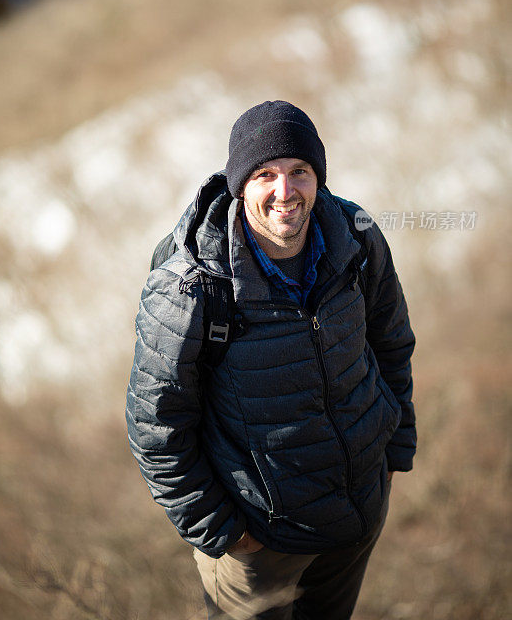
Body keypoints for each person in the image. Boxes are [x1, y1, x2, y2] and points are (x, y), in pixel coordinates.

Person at [126, 100, 416, 620]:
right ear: (240, 185)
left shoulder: (358, 236)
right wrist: (228, 534)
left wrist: (393, 452)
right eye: (266, 175)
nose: (285, 192)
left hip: (357, 516)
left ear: (318, 177)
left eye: (299, 172)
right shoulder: (191, 287)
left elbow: (391, 342)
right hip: (261, 544)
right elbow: (156, 428)